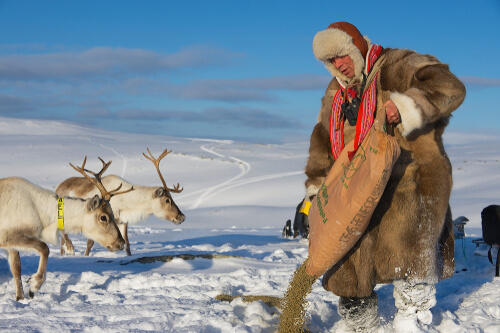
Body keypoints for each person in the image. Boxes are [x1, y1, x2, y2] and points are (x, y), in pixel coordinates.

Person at [304, 22, 465, 332]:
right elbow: (323, 144)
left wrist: (405, 107)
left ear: (357, 47)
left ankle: (412, 319)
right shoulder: (336, 93)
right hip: (355, 191)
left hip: (409, 183)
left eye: (341, 54)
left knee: (409, 263)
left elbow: (450, 87)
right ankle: (360, 326)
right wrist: (315, 194)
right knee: (349, 271)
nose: (338, 64)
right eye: (330, 60)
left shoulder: (397, 64)